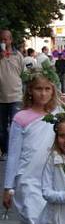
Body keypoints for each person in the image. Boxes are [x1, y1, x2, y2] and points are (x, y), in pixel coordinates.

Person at [3, 63, 60, 224]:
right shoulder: (21, 118)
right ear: (30, 91)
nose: (43, 94)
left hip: (53, 178)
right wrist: (8, 186)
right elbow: (14, 153)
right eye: (38, 89)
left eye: (47, 89)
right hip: (28, 179)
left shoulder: (58, 115)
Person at [0, 29, 26, 157]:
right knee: (2, 128)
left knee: (16, 126)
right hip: (1, 97)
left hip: (16, 95)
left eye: (6, 39)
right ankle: (5, 151)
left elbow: (23, 73)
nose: (3, 42)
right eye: (1, 39)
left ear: (10, 40)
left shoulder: (18, 55)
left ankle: (16, 151)